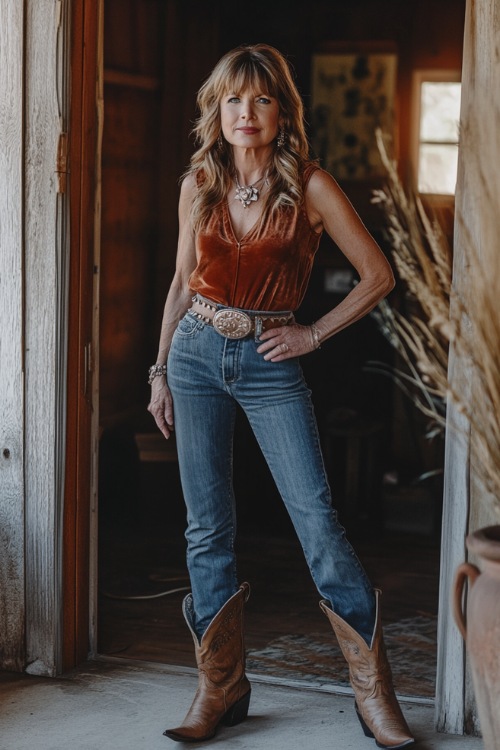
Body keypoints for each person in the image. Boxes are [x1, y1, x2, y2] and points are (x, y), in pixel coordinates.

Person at [148, 43, 414, 748]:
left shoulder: (312, 186)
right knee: (206, 528)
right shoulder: (197, 183)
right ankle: (220, 686)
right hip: (196, 355)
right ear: (217, 109)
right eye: (233, 99)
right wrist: (158, 371)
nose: (245, 112)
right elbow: (180, 284)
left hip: (271, 359)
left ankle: (373, 691)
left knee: (318, 522)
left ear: (281, 111)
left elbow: (377, 275)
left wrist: (314, 334)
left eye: (261, 99)